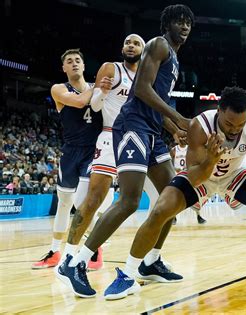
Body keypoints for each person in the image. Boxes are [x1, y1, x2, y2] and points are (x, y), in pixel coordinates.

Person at [56, 4, 194, 298]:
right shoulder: (159, 45)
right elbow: (142, 90)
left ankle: (151, 261)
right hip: (132, 126)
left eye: (188, 23)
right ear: (167, 24)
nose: (184, 26)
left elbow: (155, 100)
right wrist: (179, 117)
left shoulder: (175, 57)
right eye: (179, 21)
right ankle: (76, 262)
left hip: (153, 130)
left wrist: (175, 129)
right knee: (129, 200)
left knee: (174, 198)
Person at [103, 86, 246, 300]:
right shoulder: (200, 125)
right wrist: (210, 160)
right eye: (229, 123)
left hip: (235, 175)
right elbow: (195, 178)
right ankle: (128, 274)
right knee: (161, 209)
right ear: (218, 111)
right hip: (202, 175)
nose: (235, 130)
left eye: (240, 125)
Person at [59, 34, 160, 271]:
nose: (131, 46)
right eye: (127, 42)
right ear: (122, 48)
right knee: (92, 200)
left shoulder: (148, 78)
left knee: (160, 198)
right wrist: (102, 92)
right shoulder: (111, 68)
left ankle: (151, 259)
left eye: (136, 43)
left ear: (144, 51)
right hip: (111, 136)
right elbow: (94, 106)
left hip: (141, 139)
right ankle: (69, 255)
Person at [32, 49, 111, 269]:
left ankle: (95, 250)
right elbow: (77, 102)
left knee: (85, 203)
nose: (74, 63)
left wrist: (100, 89)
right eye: (69, 61)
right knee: (64, 203)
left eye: (78, 60)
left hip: (93, 151)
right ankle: (55, 251)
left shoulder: (100, 91)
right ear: (64, 68)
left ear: (84, 66)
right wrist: (97, 86)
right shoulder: (58, 89)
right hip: (70, 152)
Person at [170, 134, 207, 224]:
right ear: (177, 139)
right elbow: (169, 163)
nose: (182, 139)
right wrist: (175, 169)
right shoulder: (174, 150)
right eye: (180, 137)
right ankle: (173, 217)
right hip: (176, 175)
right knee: (174, 197)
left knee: (194, 196)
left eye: (184, 137)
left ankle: (199, 216)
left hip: (188, 175)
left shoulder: (190, 148)